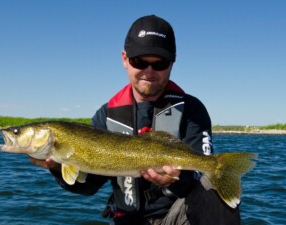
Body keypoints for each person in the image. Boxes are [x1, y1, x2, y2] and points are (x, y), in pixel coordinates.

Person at [30, 15, 240, 225]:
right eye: (139, 61)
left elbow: (197, 179)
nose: (149, 72)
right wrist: (57, 168)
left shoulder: (192, 110)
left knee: (213, 189)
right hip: (128, 219)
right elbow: (89, 186)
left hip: (178, 216)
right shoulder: (106, 115)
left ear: (172, 63)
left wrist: (176, 180)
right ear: (125, 59)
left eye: (159, 63)